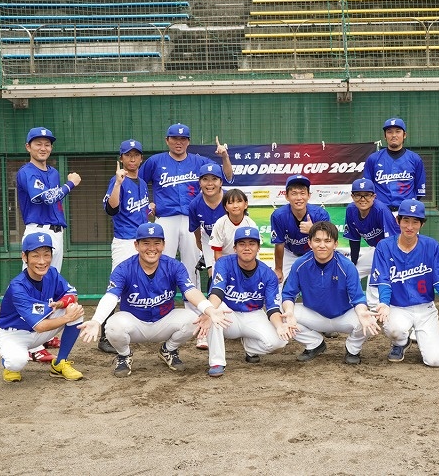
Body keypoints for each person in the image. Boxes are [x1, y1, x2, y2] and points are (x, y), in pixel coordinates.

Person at [78, 222, 231, 378]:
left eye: (157, 243)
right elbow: (111, 296)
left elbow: (190, 291)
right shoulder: (124, 268)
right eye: (146, 243)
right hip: (134, 323)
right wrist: (97, 320)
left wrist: (209, 310)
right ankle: (124, 355)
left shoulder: (174, 266)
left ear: (163, 245)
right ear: (136, 245)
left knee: (194, 319)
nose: (152, 248)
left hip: (163, 322)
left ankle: (168, 350)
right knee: (112, 326)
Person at [16, 126, 82, 363]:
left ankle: (45, 335)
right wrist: (70, 184)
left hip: (55, 233)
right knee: (32, 286)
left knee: (50, 284)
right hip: (38, 231)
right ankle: (31, 345)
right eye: (38, 143)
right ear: (28, 147)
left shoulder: (52, 172)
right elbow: (46, 198)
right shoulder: (26, 172)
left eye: (47, 144)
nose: (43, 148)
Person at [138, 124, 233, 288]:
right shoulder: (155, 161)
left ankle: (193, 302)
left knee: (191, 263)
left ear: (188, 141)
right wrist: (147, 204)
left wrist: (224, 157)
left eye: (183, 139)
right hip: (166, 218)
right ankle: (161, 297)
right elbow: (138, 183)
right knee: (162, 260)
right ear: (167, 140)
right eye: (175, 138)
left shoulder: (199, 161)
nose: (179, 142)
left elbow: (227, 176)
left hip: (192, 219)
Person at [370, 199, 439, 367]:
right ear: (398, 221)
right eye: (406, 220)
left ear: (422, 224)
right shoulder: (384, 246)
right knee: (394, 329)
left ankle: (425, 340)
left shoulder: (431, 246)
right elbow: (384, 280)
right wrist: (384, 303)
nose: (410, 226)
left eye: (415, 222)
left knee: (436, 361)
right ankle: (401, 343)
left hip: (425, 308)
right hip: (398, 307)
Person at [280, 221, 379, 365]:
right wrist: (289, 312)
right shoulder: (300, 264)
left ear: (335, 244)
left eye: (327, 241)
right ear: (310, 243)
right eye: (317, 240)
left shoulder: (347, 266)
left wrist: (363, 313)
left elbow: (358, 298)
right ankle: (314, 344)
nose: (322, 245)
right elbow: (289, 294)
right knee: (282, 314)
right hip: (314, 316)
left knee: (368, 320)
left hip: (343, 316)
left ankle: (352, 349)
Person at [0, 232, 85, 382]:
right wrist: (67, 317)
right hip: (15, 334)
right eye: (35, 256)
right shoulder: (18, 286)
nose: (42, 261)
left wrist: (61, 303)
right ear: (25, 257)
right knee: (16, 362)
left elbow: (73, 295)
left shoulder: (52, 273)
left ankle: (59, 363)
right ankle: (8, 362)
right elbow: (40, 326)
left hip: (39, 331)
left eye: (46, 255)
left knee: (74, 308)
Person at [203, 227, 291, 377]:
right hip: (228, 314)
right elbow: (217, 292)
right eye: (242, 244)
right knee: (214, 310)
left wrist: (279, 326)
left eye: (252, 243)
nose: (247, 248)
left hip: (253, 314)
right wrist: (208, 311)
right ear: (235, 248)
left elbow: (272, 308)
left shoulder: (268, 274)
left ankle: (250, 347)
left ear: (258, 248)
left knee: (280, 342)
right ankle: (217, 362)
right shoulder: (224, 263)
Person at [99, 139, 153, 354]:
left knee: (139, 284)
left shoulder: (142, 183)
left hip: (141, 241)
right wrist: (118, 184)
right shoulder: (117, 180)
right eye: (128, 155)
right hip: (124, 241)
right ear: (121, 158)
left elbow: (138, 211)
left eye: (136, 155)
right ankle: (104, 336)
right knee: (118, 286)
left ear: (141, 158)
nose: (132, 158)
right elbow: (111, 209)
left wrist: (149, 209)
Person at [343, 178, 400, 310]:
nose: (362, 199)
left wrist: (383, 263)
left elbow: (391, 242)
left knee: (378, 274)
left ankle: (377, 308)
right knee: (354, 272)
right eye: (358, 195)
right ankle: (348, 304)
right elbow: (354, 239)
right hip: (378, 250)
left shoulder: (381, 210)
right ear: (352, 196)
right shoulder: (351, 210)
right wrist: (354, 262)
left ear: (374, 196)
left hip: (395, 251)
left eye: (367, 195)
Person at [270, 175, 331, 284]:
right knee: (276, 281)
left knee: (324, 282)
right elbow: (279, 244)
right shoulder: (278, 216)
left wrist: (313, 230)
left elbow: (328, 241)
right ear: (287, 196)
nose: (299, 198)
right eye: (294, 193)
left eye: (302, 193)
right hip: (289, 253)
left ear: (309, 195)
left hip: (313, 253)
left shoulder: (320, 214)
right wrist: (278, 269)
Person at [363, 117, 427, 211]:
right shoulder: (373, 159)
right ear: (385, 136)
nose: (394, 135)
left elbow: (419, 190)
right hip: (380, 210)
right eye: (389, 132)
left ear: (404, 135)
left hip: (406, 212)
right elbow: (367, 188)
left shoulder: (415, 159)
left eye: (398, 131)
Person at [188, 163, 227, 283]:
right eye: (205, 179)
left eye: (214, 179)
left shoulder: (231, 199)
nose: (210, 184)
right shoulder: (195, 204)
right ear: (199, 183)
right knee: (214, 275)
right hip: (210, 238)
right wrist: (201, 245)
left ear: (221, 182)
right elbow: (195, 229)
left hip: (232, 239)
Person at [210, 188, 259, 262]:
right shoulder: (220, 224)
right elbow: (217, 252)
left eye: (239, 201)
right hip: (224, 261)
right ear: (225, 207)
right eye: (230, 203)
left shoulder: (251, 224)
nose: (235, 206)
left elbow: (254, 251)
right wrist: (222, 267)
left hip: (245, 262)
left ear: (245, 205)